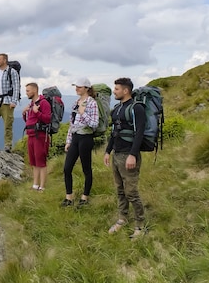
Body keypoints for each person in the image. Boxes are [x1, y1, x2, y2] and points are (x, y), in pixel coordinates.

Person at [104, 77, 146, 238]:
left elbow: (139, 133)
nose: (114, 91)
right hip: (117, 154)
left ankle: (140, 225)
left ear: (126, 90)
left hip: (128, 155)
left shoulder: (137, 108)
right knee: (120, 190)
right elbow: (115, 132)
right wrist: (108, 151)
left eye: (116, 89)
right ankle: (122, 219)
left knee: (131, 192)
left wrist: (132, 155)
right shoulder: (117, 108)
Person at [61, 77, 99, 208]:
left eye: (79, 87)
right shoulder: (76, 102)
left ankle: (84, 197)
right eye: (76, 86)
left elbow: (94, 124)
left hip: (86, 138)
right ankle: (69, 197)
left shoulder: (92, 103)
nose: (76, 88)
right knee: (67, 168)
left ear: (87, 88)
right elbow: (72, 123)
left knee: (86, 168)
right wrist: (68, 140)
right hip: (76, 137)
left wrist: (83, 113)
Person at [22, 82, 51, 191]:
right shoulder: (31, 104)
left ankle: (42, 187)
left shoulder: (43, 103)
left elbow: (47, 119)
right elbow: (30, 121)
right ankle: (35, 185)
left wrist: (36, 112)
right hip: (31, 135)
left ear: (34, 90)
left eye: (28, 91)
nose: (27, 93)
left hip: (40, 136)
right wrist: (24, 114)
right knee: (34, 161)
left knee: (41, 162)